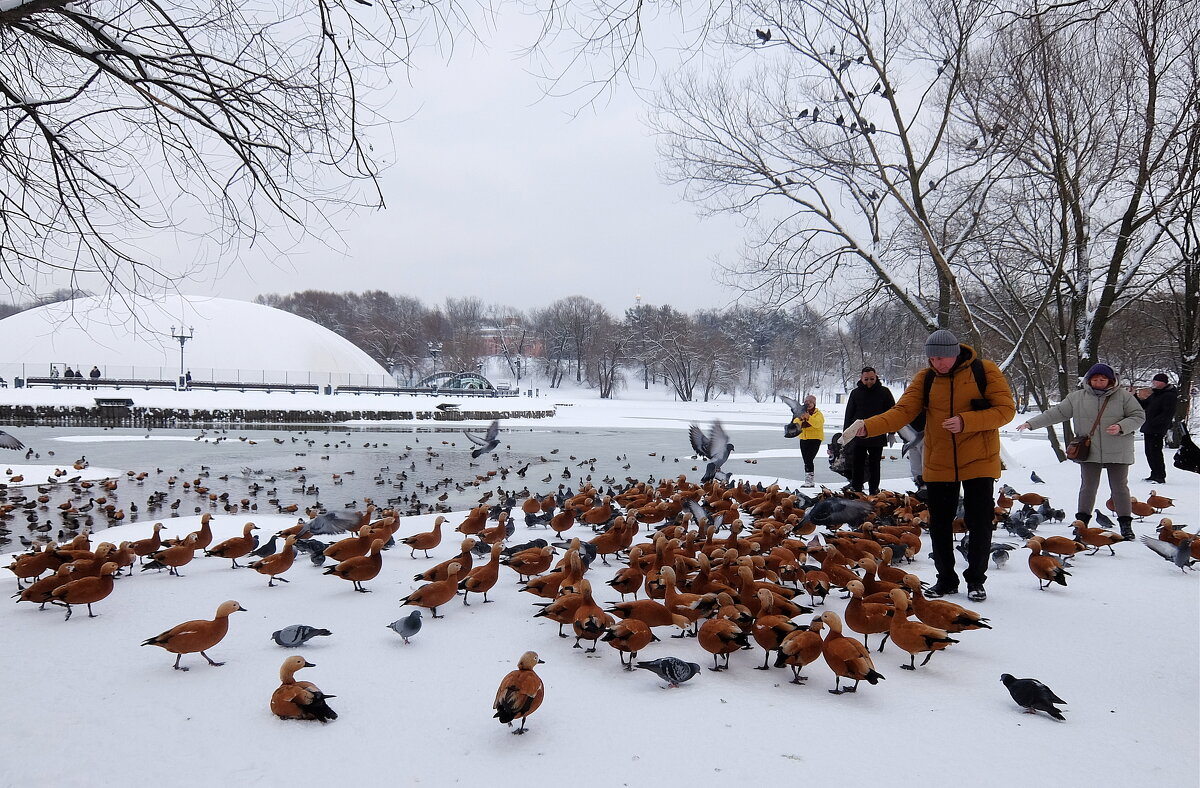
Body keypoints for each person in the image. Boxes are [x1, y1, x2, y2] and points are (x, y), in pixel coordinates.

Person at [846, 329, 1015, 603]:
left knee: (980, 522)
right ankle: (946, 579)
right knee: (939, 524)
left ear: (955, 353)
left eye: (942, 358)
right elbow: (902, 412)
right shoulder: (925, 379)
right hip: (939, 461)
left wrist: (966, 421)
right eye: (932, 359)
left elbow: (1006, 410)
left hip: (980, 461)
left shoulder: (984, 371)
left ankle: (976, 581)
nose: (938, 364)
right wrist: (869, 426)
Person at [1017, 363, 1145, 540]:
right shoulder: (1076, 398)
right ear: (1088, 380)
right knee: (1088, 487)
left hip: (1118, 449)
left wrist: (1122, 426)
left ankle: (1125, 525)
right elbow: (1056, 413)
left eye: (1103, 379)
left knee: (1120, 488)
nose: (1099, 383)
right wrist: (1031, 424)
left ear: (1110, 380)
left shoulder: (1123, 397)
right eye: (1095, 379)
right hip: (1088, 450)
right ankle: (1082, 523)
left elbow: (1138, 416)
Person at [842, 367, 894, 494]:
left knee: (875, 464)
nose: (869, 381)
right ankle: (857, 489)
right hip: (858, 434)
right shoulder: (855, 393)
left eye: (872, 379)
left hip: (877, 433)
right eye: (866, 379)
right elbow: (849, 414)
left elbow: (893, 413)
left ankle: (874, 489)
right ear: (861, 378)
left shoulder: (884, 392)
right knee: (857, 463)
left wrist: (892, 432)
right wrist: (846, 434)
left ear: (876, 378)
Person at [1136, 372, 1178, 484]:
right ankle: (1154, 473)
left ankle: (1160, 475)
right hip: (1149, 427)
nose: (1154, 383)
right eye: (1154, 381)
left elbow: (1167, 413)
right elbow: (1144, 405)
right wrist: (1135, 396)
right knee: (1148, 452)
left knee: (1155, 452)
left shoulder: (1170, 395)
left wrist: (1155, 422)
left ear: (1163, 383)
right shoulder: (1156, 394)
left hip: (1157, 428)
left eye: (1156, 381)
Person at [790, 395, 825, 487]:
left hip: (815, 439)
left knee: (809, 459)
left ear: (814, 404)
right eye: (806, 402)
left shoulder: (818, 414)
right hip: (803, 438)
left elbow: (817, 424)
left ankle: (809, 481)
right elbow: (795, 423)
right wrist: (799, 418)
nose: (808, 404)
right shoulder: (801, 413)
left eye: (810, 402)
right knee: (806, 460)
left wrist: (808, 417)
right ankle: (809, 480)